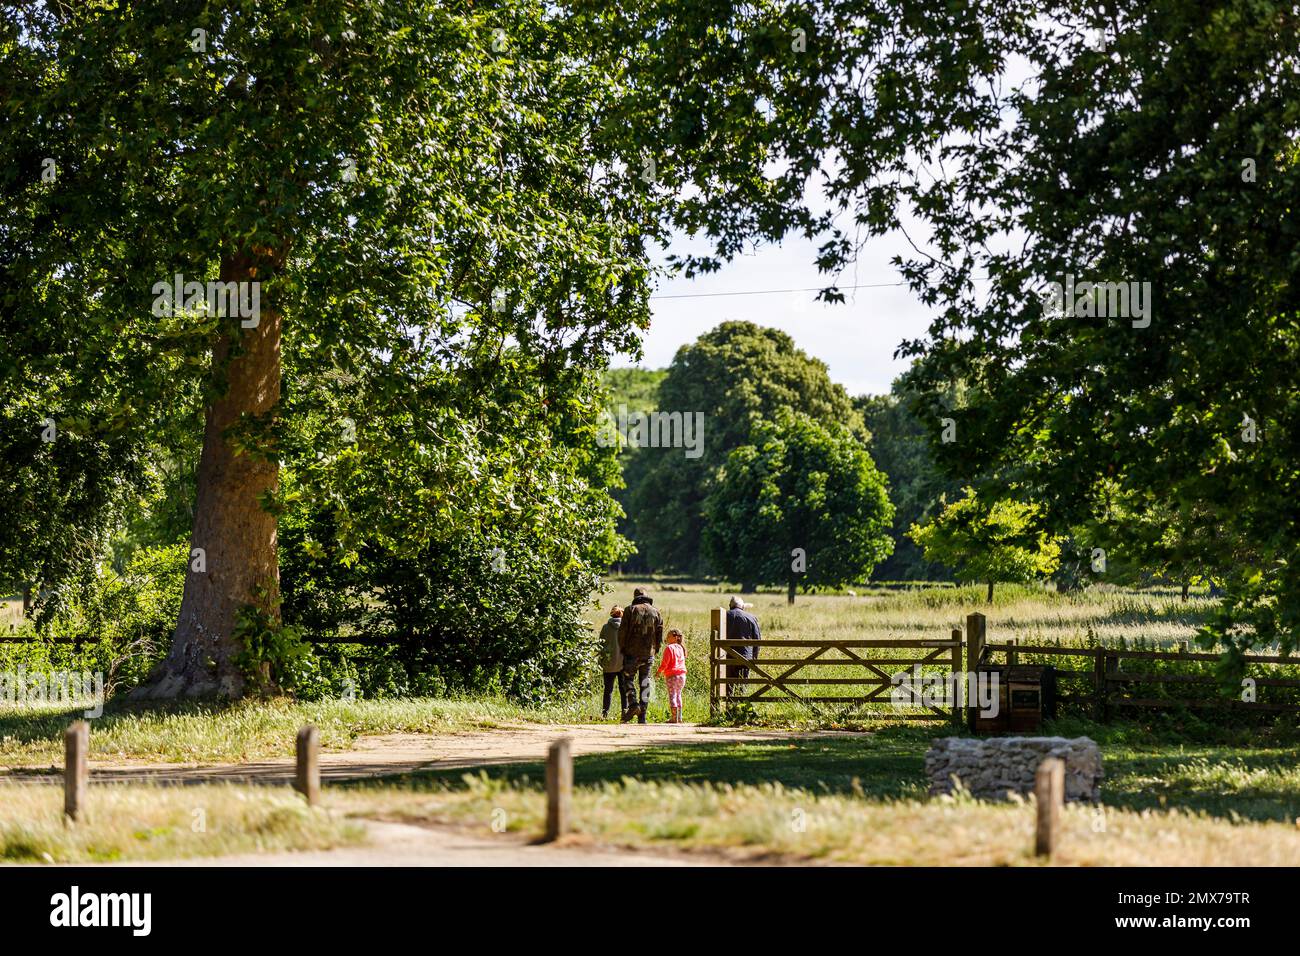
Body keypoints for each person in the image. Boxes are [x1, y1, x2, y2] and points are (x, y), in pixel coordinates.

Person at [617, 586, 663, 723]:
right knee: (645, 682)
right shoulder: (656, 612)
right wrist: (656, 649)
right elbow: (659, 635)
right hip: (648, 653)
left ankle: (633, 705)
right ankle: (643, 715)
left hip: (631, 652)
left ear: (635, 597)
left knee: (627, 679)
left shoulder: (630, 610)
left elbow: (622, 632)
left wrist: (622, 648)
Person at [725, 596, 761, 691]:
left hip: (726, 656)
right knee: (742, 684)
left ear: (730, 605)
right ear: (742, 606)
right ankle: (741, 703)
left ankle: (728, 703)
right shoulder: (751, 617)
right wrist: (754, 657)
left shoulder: (724, 616)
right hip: (745, 656)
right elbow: (757, 639)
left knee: (727, 685)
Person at [657, 628, 687, 723]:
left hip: (672, 675)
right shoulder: (681, 648)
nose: (666, 638)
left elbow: (665, 663)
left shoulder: (669, 648)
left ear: (675, 637)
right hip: (682, 675)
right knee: (678, 694)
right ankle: (679, 717)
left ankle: (674, 718)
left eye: (668, 636)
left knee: (672, 695)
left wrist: (659, 671)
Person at [598, 606, 624, 719]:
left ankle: (605, 713)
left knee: (608, 690)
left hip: (608, 662)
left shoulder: (605, 627)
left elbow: (600, 645)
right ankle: (625, 711)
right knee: (623, 689)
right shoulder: (625, 628)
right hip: (623, 663)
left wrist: (601, 660)